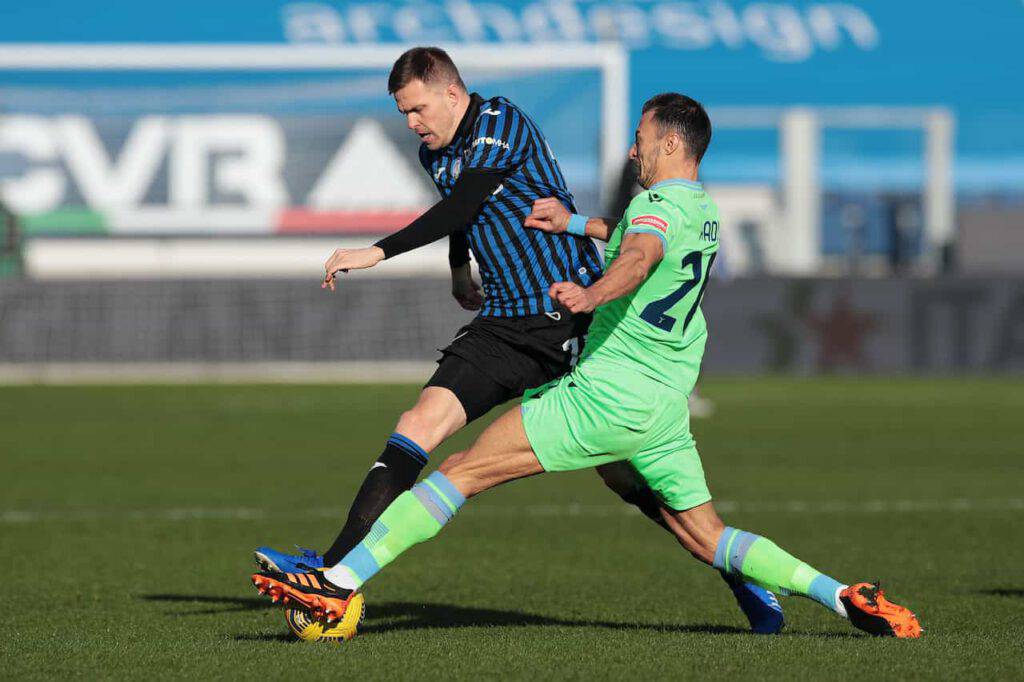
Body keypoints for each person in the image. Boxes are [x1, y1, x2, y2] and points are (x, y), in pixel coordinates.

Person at [252, 93, 921, 639]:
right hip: (665, 411)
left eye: (640, 137)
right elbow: (637, 236)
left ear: (667, 145)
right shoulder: (703, 211)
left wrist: (592, 292)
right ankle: (838, 595)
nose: (632, 148)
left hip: (604, 397)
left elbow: (638, 257)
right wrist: (575, 227)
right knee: (709, 536)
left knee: (458, 473)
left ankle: (337, 583)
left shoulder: (655, 210)